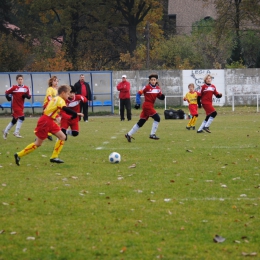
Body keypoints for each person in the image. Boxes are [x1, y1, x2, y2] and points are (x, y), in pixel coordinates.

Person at [14, 85, 84, 166]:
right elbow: (65, 109)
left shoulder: (56, 99)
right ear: (63, 93)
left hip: (49, 121)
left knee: (63, 137)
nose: (68, 96)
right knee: (38, 143)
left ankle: (54, 157)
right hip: (45, 121)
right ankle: (19, 154)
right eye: (68, 94)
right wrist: (75, 114)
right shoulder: (60, 99)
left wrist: (62, 117)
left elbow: (52, 110)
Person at [125, 74, 165, 142]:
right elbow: (138, 93)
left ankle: (129, 134)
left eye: (154, 80)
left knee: (141, 122)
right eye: (151, 80)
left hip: (150, 106)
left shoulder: (158, 89)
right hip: (147, 105)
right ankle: (152, 134)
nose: (153, 81)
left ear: (156, 81)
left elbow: (159, 96)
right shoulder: (146, 87)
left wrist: (162, 97)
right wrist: (138, 103)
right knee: (157, 118)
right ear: (149, 81)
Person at [3, 74, 31, 139]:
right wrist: (7, 97)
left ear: (23, 80)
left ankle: (5, 131)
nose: (20, 80)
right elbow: (6, 92)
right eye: (19, 79)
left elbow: (29, 96)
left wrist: (26, 96)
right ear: (17, 80)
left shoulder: (26, 88)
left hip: (21, 106)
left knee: (14, 120)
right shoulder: (14, 87)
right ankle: (16, 132)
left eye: (21, 79)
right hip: (15, 106)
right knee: (22, 117)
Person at [43, 76, 59, 141]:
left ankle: (47, 133)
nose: (56, 82)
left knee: (51, 121)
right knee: (57, 119)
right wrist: (53, 102)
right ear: (51, 82)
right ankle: (48, 133)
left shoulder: (57, 89)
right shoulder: (50, 89)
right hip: (48, 106)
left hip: (54, 106)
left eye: (57, 81)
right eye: (55, 81)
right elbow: (49, 97)